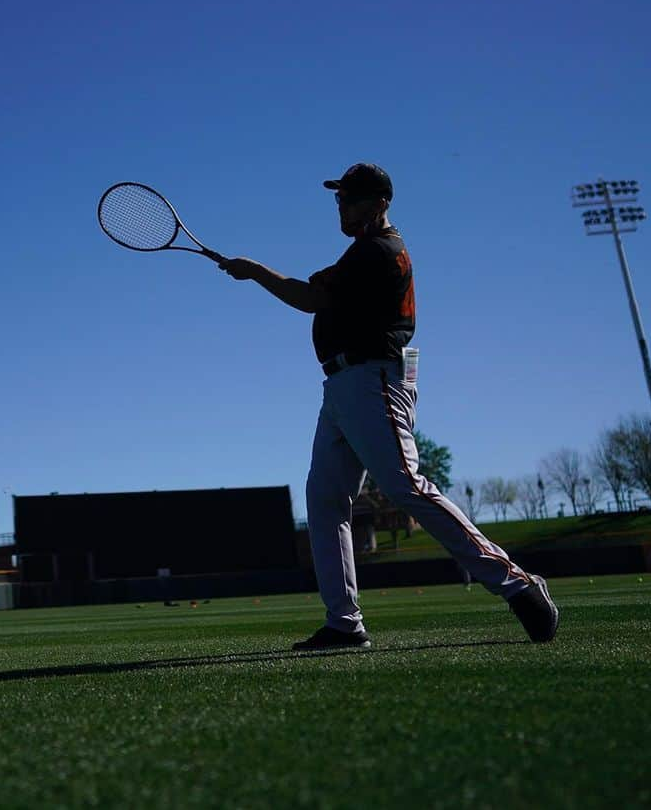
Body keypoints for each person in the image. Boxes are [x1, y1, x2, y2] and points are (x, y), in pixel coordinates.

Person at [217, 162, 559, 650]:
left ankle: (518, 583)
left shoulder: (377, 250)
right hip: (349, 382)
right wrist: (404, 383)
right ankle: (344, 623)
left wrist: (253, 272)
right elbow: (401, 343)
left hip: (369, 377)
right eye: (338, 198)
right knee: (325, 498)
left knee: (408, 488)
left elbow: (309, 297)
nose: (342, 205)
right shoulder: (369, 251)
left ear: (380, 203)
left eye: (351, 198)